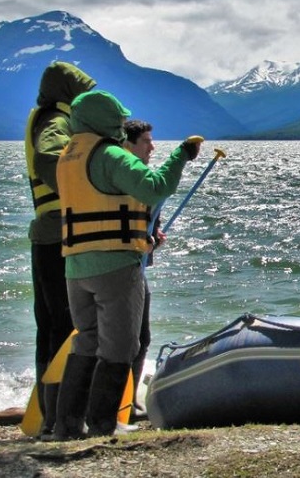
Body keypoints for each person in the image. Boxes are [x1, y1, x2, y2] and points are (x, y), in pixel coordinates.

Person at [52, 90, 202, 440]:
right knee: (121, 346)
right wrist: (181, 154)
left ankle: (66, 424)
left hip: (75, 266)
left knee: (86, 342)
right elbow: (154, 187)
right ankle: (104, 425)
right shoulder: (110, 155)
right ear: (105, 121)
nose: (121, 125)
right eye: (117, 120)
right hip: (115, 265)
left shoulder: (68, 155)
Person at [24, 61, 96, 436]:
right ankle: (59, 415)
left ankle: (50, 413)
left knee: (51, 326)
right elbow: (49, 159)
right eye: (83, 92)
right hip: (58, 235)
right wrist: (84, 186)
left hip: (47, 233)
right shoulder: (56, 123)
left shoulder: (49, 117)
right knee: (65, 325)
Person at [122, 119, 164, 418]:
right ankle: (123, 402)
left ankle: (130, 398)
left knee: (141, 336)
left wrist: (154, 236)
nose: (152, 147)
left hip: (137, 265)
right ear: (129, 144)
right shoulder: (125, 179)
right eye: (146, 141)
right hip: (125, 266)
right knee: (132, 337)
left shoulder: (140, 179)